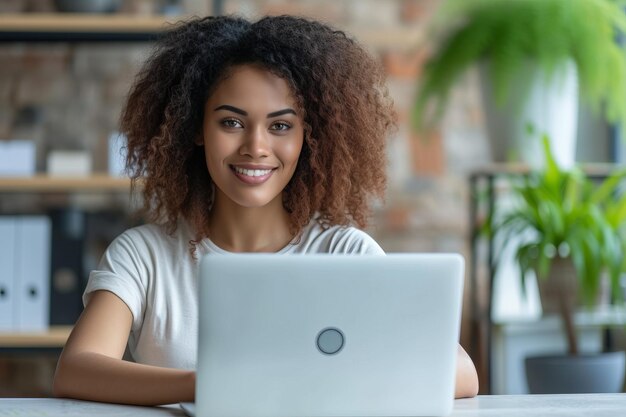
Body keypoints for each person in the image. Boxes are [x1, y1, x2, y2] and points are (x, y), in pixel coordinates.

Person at [52, 15, 478, 405]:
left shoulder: (344, 254)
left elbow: (463, 374)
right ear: (196, 128)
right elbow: (76, 370)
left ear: (307, 139)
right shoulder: (144, 256)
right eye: (231, 122)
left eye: (280, 126)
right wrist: (208, 385)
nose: (256, 147)